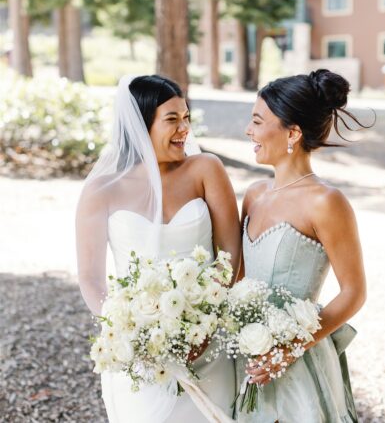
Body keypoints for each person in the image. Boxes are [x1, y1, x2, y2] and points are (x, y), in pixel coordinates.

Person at [76, 74, 241, 423]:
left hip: (209, 344)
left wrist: (205, 326)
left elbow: (232, 257)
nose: (184, 129)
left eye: (186, 118)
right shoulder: (102, 189)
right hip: (141, 351)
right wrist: (132, 333)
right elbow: (91, 279)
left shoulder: (205, 170)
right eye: (172, 120)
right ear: (141, 124)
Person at [236, 69, 369, 422]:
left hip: (300, 360)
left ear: (292, 132)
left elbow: (353, 292)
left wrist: (288, 350)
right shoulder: (253, 194)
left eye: (257, 121)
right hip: (248, 356)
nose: (249, 130)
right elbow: (240, 280)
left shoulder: (326, 202)